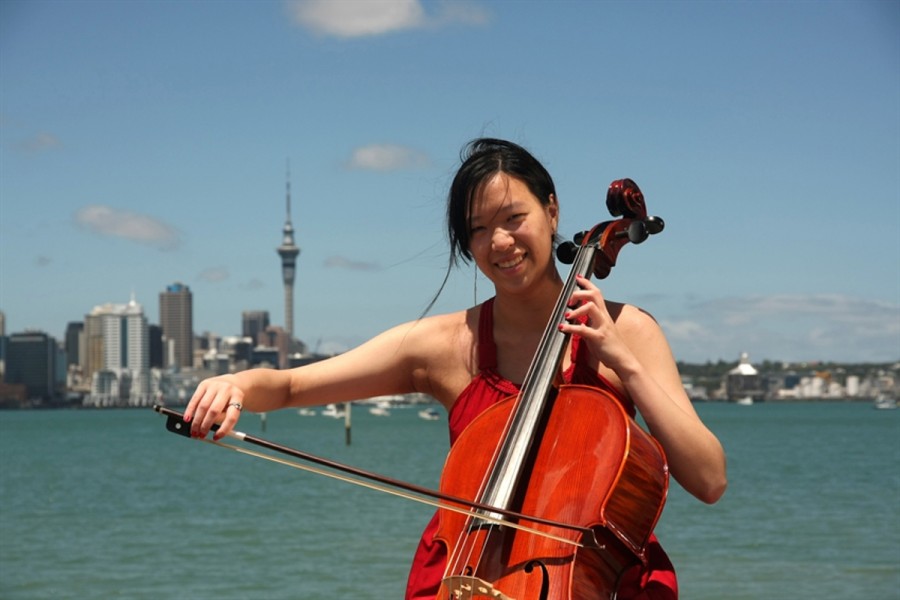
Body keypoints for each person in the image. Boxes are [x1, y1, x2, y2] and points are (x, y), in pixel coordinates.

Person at [185, 138, 728, 599]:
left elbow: (708, 480)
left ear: (552, 211)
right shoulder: (443, 345)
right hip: (464, 574)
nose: (500, 242)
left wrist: (625, 365)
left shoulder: (628, 329)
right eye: (477, 229)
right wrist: (232, 385)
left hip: (591, 578)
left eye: (515, 218)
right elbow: (290, 384)